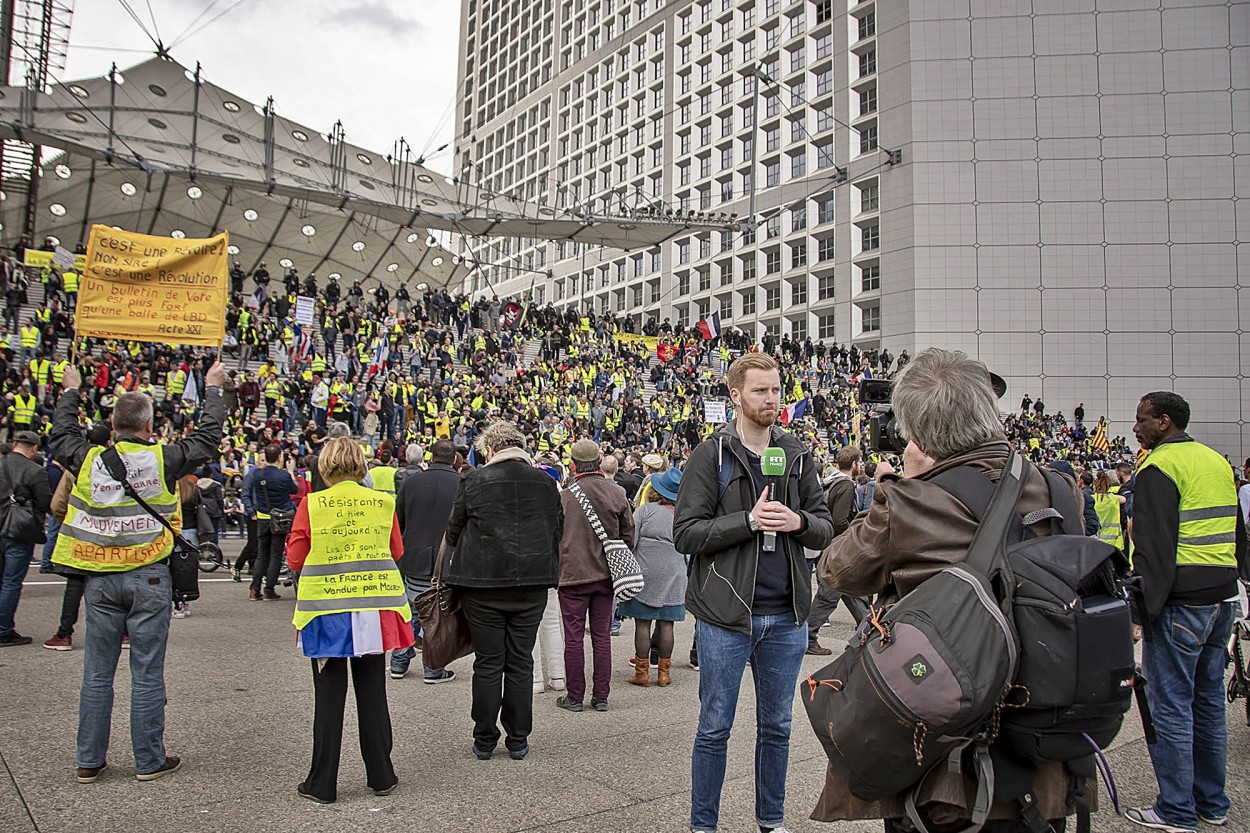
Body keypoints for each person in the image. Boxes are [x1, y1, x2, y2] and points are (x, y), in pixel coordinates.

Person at [814, 348, 1087, 832]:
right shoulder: (1059, 488)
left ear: (917, 430)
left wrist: (900, 487)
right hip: (1043, 747)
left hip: (947, 754)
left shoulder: (910, 498)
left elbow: (837, 571)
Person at [673, 352, 834, 833]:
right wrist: (746, 521)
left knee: (778, 728)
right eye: (761, 390)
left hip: (786, 615)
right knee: (714, 727)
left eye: (777, 389)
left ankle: (771, 821)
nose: (771, 399)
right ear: (735, 396)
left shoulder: (798, 452)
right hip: (726, 615)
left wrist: (798, 521)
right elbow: (686, 533)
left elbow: (826, 527)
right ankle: (704, 825)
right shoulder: (711, 454)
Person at [51, 360, 225, 783]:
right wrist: (215, 389)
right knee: (147, 671)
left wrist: (71, 389)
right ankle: (148, 759)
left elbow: (61, 436)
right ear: (150, 425)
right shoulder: (162, 458)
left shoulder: (89, 459)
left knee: (96, 672)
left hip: (100, 576)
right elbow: (207, 439)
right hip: (149, 574)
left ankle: (89, 760)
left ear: (112, 423)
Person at [1124, 392, 1244, 833]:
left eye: (1142, 420)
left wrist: (1140, 612)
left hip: (1180, 603)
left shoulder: (1159, 467)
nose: (1135, 427)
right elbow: (1237, 530)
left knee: (1170, 705)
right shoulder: (1216, 461)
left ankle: (1175, 810)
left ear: (1164, 422)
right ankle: (1212, 803)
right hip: (1221, 595)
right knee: (1209, 704)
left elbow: (1153, 550)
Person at [286, 437, 411, 804]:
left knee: (329, 699)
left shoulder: (313, 504)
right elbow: (396, 551)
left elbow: (295, 557)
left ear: (325, 467)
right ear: (361, 465)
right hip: (372, 608)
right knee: (373, 694)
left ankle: (322, 782)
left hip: (327, 613)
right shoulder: (382, 502)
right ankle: (381, 774)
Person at [444, 421, 563, 761]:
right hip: (532, 583)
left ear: (490, 450)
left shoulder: (474, 480)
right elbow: (558, 531)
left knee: (488, 662)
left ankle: (484, 738)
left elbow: (453, 531)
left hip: (482, 585)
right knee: (520, 661)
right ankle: (518, 738)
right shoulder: (546, 483)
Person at [555, 438, 635, 713]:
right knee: (601, 637)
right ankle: (601, 696)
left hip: (573, 575)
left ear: (573, 465)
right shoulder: (617, 493)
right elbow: (628, 536)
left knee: (574, 637)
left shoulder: (564, 497)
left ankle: (574, 696)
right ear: (599, 462)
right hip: (606, 575)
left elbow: (553, 537)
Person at [391, 439, 459, 684]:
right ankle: (433, 666)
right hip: (449, 558)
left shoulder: (411, 482)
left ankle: (399, 658)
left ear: (430, 457)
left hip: (416, 555)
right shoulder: (461, 484)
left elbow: (399, 520)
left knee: (414, 609)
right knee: (438, 614)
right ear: (453, 460)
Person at [620, 466, 685, 687]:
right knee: (667, 624)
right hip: (675, 573)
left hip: (647, 572)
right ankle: (664, 674)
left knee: (643, 624)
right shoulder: (683, 516)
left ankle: (642, 673)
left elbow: (631, 540)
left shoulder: (644, 511)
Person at [806, 447, 870, 655]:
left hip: (833, 547)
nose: (861, 466)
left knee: (853, 591)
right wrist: (854, 536)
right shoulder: (845, 486)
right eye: (860, 462)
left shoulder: (832, 482)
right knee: (829, 595)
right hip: (840, 548)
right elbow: (840, 520)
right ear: (854, 464)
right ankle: (808, 636)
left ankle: (867, 630)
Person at [0, 431, 53, 646]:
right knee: (11, 582)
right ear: (33, 448)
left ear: (14, 444)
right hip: (19, 530)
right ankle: (4, 629)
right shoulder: (34, 470)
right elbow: (45, 502)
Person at [243, 443, 297, 601]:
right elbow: (294, 490)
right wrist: (291, 471)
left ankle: (254, 588)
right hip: (279, 518)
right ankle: (269, 589)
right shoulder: (283, 475)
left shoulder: (257, 474)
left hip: (263, 516)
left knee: (262, 553)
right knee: (275, 554)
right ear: (280, 457)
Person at [1091, 469, 1126, 551]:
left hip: (1096, 540)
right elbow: (1124, 499)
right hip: (1114, 541)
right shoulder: (1113, 499)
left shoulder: (1092, 499)